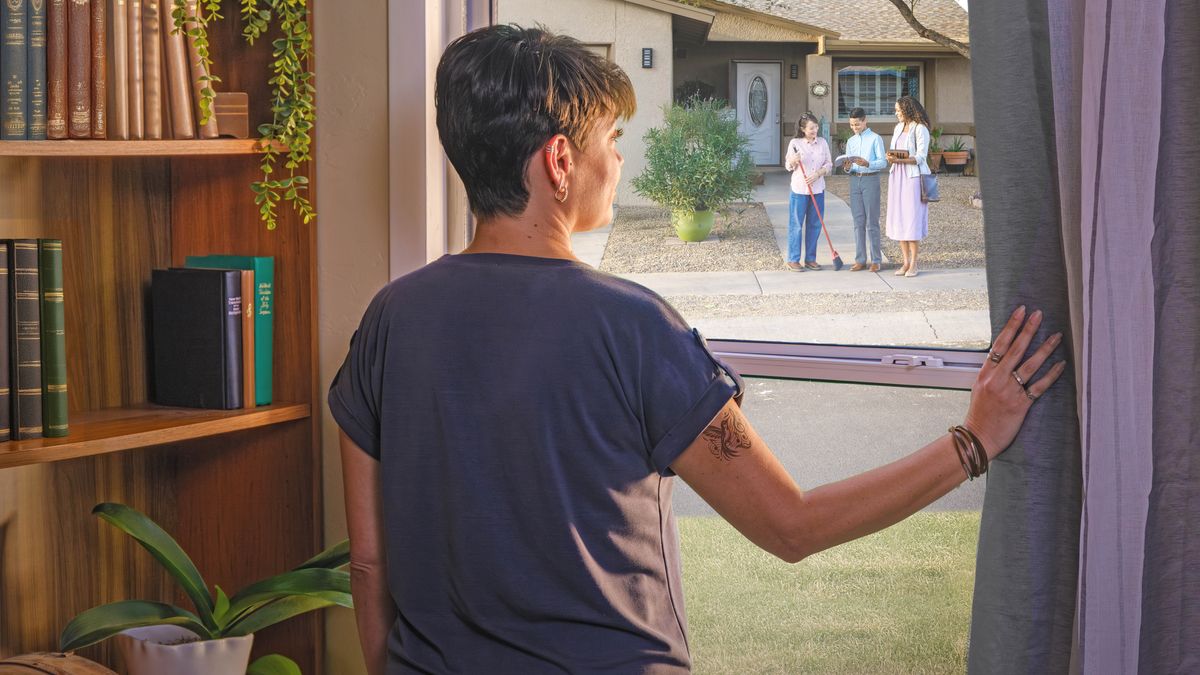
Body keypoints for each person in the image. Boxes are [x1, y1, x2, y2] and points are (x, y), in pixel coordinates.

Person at [330, 24, 1066, 675]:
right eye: (611, 141)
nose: (618, 160)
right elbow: (791, 525)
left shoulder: (390, 319)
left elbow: (368, 563)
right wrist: (973, 441)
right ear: (559, 161)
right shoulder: (632, 327)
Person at [886, 95, 933, 277]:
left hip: (912, 178)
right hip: (897, 176)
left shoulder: (920, 129)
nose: (896, 113)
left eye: (898, 110)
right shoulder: (898, 127)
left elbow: (921, 156)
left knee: (911, 220)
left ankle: (914, 264)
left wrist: (900, 160)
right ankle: (905, 263)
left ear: (907, 110)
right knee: (899, 218)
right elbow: (895, 151)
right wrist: (891, 157)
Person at [784, 113, 832, 272]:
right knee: (796, 225)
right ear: (803, 129)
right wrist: (793, 160)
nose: (815, 130)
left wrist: (818, 174)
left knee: (815, 224)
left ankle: (810, 259)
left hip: (818, 189)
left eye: (816, 127)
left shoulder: (823, 142)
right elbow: (788, 166)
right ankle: (793, 259)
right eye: (811, 128)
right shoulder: (795, 143)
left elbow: (829, 164)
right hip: (799, 190)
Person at [841, 107, 888, 272]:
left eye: (857, 124)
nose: (854, 128)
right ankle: (860, 260)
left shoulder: (875, 138)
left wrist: (868, 163)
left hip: (870, 180)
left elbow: (883, 162)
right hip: (855, 180)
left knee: (872, 222)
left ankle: (876, 260)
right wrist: (847, 167)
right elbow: (849, 163)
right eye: (852, 125)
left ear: (864, 121)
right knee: (858, 222)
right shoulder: (851, 141)